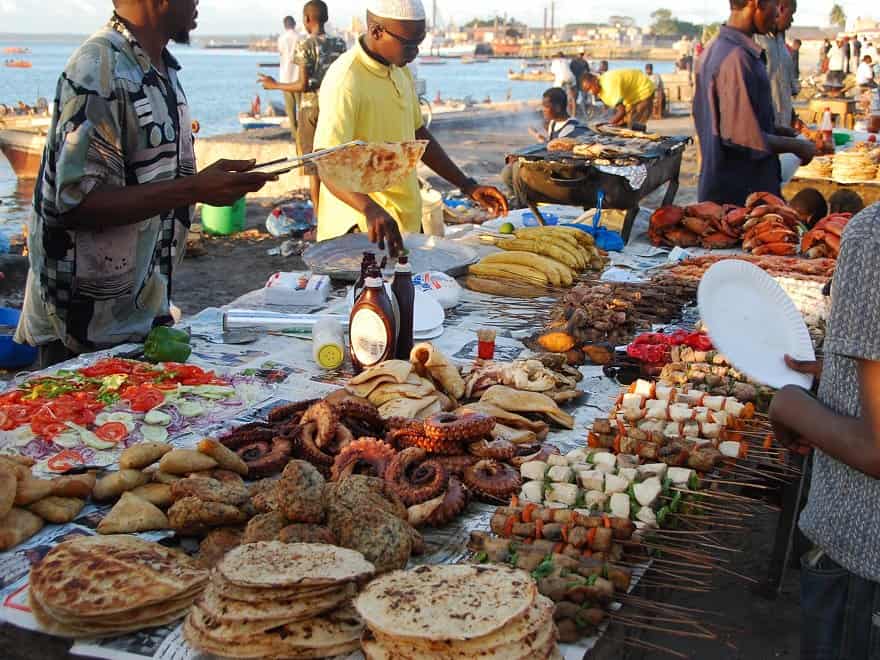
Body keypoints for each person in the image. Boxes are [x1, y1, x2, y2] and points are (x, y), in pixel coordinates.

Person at [15, 0, 274, 366]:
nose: (199, 3)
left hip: (136, 314)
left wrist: (201, 182)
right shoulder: (98, 69)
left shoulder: (162, 68)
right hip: (82, 329)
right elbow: (75, 203)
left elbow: (153, 182)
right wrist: (193, 189)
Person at [769, 202, 880, 660]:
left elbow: (876, 450)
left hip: (864, 559)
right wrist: (840, 372)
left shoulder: (873, 236)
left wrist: (788, 404)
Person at [312, 0, 507, 256]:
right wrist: (369, 208)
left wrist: (467, 185)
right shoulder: (346, 80)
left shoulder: (400, 69)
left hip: (403, 222)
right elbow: (326, 162)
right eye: (409, 44)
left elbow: (417, 134)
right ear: (377, 31)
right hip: (361, 230)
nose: (415, 52)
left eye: (420, 42)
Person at [693, 0, 816, 206]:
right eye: (774, 5)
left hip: (734, 187)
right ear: (756, 3)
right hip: (737, 195)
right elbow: (743, 138)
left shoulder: (719, 48)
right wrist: (798, 147)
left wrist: (784, 132)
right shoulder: (736, 58)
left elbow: (743, 119)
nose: (778, 13)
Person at [259, 1, 347, 210]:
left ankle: (319, 216)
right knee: (334, 161)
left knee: (313, 165)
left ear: (307, 19)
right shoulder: (340, 44)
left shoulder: (305, 45)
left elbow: (302, 84)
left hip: (311, 109)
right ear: (325, 18)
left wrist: (274, 85)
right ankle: (337, 211)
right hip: (335, 108)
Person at [502, 87, 588, 207]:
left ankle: (523, 205)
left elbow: (559, 158)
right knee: (507, 171)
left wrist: (524, 159)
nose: (542, 110)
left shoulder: (572, 129)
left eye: (546, 106)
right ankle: (520, 198)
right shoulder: (553, 123)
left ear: (557, 107)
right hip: (550, 166)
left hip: (562, 175)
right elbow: (548, 147)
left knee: (517, 169)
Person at [755, 0, 799, 127]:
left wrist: (793, 118)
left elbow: (784, 90)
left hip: (783, 128)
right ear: (780, 9)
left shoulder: (781, 42)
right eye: (791, 13)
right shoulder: (756, 39)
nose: (792, 20)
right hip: (765, 129)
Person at [580, 69, 655, 130]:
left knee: (635, 125)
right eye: (587, 91)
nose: (590, 92)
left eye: (590, 88)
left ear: (595, 80)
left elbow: (621, 111)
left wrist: (608, 125)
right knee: (625, 124)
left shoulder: (608, 86)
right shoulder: (601, 86)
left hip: (643, 89)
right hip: (631, 96)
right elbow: (617, 108)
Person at [277, 16, 300, 146]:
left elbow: (281, 53)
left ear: (284, 25)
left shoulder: (281, 38)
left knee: (290, 109)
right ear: (294, 24)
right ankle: (302, 133)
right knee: (301, 107)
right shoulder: (300, 37)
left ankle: (294, 134)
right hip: (298, 76)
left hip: (285, 77)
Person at [550, 51, 576, 116]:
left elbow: (552, 72)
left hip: (560, 79)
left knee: (555, 95)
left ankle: (558, 113)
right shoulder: (566, 61)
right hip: (571, 77)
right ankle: (573, 114)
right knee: (572, 96)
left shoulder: (555, 62)